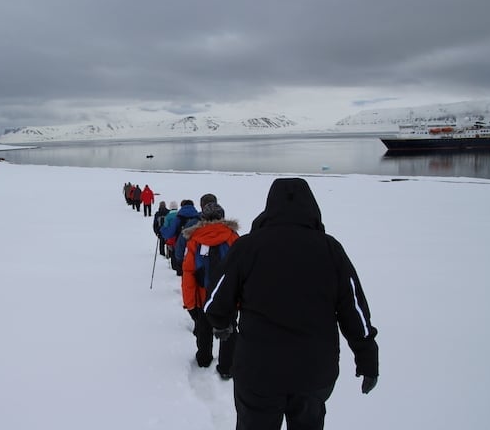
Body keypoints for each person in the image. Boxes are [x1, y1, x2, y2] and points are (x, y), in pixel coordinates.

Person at [204, 178, 379, 430]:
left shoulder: (248, 247)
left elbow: (215, 300)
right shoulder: (330, 249)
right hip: (314, 372)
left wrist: (221, 323)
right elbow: (355, 310)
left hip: (257, 372)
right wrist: (368, 358)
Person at [181, 202, 239, 379]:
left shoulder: (194, 239)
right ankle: (227, 366)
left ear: (203, 218)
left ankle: (204, 359)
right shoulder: (233, 238)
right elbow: (240, 270)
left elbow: (188, 272)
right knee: (229, 328)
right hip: (228, 295)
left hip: (202, 294)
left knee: (203, 327)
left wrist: (190, 302)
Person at [160, 199, 199, 275]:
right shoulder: (198, 217)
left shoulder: (178, 218)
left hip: (180, 247)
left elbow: (169, 233)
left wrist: (162, 230)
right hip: (196, 248)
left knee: (182, 272)